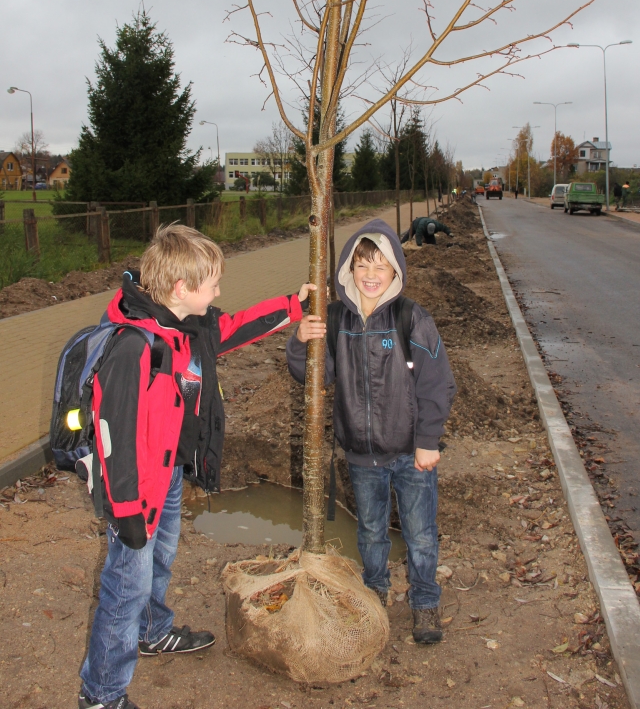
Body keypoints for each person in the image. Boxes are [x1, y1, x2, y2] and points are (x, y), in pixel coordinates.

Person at [78, 223, 313, 709]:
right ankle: (101, 695)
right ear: (183, 289)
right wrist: (125, 512)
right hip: (134, 493)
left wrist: (294, 305)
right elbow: (113, 439)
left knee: (158, 564)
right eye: (214, 284)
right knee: (125, 587)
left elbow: (230, 329)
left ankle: (154, 631)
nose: (220, 292)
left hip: (165, 477)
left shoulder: (188, 323)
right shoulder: (135, 348)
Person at [286, 219, 456, 645]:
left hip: (409, 453)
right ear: (348, 269)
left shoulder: (411, 318)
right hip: (361, 455)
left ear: (396, 269)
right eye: (363, 264)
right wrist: (300, 340)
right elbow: (313, 377)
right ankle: (375, 592)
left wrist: (427, 442)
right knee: (371, 531)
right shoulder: (335, 319)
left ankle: (424, 601)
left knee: (419, 533)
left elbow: (437, 383)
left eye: (382, 264)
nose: (372, 274)